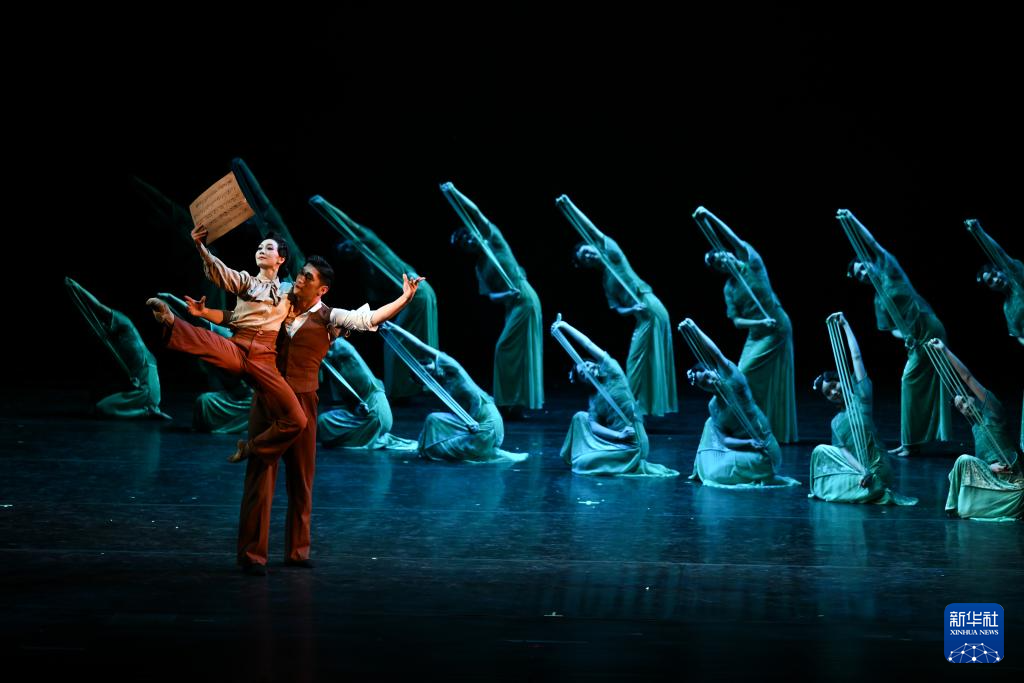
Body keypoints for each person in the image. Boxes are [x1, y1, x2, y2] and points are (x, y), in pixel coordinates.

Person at [187, 255, 423, 574]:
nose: (300, 279)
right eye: (301, 273)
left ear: (321, 289)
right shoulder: (277, 305)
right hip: (269, 397)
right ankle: (252, 555)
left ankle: (298, 551)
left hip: (304, 402)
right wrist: (206, 314)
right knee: (260, 476)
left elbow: (368, 318)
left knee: (301, 479)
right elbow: (240, 317)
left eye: (308, 277)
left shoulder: (329, 317)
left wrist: (405, 298)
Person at [147, 225, 399, 463]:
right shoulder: (251, 283)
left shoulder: (294, 297)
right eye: (259, 247)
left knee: (298, 420)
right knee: (212, 344)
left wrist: (338, 327)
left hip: (267, 359)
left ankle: (252, 447)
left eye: (268, 248)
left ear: (281, 259)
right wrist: (201, 254)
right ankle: (171, 320)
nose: (261, 250)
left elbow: (327, 316)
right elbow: (228, 296)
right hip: (244, 346)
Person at [846, 219, 951, 456]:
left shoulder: (889, 269)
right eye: (859, 275)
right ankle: (911, 441)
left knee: (909, 380)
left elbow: (873, 243)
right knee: (911, 383)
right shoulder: (878, 300)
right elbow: (890, 329)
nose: (863, 274)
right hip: (914, 338)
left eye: (862, 268)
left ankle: (911, 443)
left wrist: (851, 220)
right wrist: (904, 336)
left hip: (929, 326)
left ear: (868, 262)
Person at [316, 198, 439, 400]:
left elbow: (350, 225)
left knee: (397, 344)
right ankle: (407, 389)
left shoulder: (370, 245)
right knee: (405, 342)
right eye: (342, 252)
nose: (345, 249)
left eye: (345, 244)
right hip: (416, 295)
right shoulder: (368, 271)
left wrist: (324, 206)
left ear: (352, 241)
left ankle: (400, 391)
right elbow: (381, 297)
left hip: (418, 292)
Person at [565, 201, 678, 419]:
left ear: (592, 247)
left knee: (636, 363)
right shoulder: (606, 281)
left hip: (651, 308)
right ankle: (635, 410)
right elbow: (617, 309)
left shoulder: (612, 254)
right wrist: (631, 308)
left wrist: (569, 206)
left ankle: (630, 411)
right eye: (584, 260)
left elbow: (591, 229)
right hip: (642, 315)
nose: (588, 257)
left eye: (587, 252)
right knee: (639, 363)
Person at [443, 183, 543, 419]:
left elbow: (475, 213)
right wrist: (506, 296)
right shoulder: (480, 267)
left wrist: (455, 193)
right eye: (464, 244)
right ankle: (511, 402)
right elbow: (491, 296)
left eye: (468, 237)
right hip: (513, 304)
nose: (468, 242)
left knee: (505, 349)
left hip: (525, 300)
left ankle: (511, 401)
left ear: (473, 233)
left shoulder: (493, 241)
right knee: (512, 351)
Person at [697, 207, 797, 443]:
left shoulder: (752, 264)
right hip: (757, 332)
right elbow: (737, 321)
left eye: (722, 258)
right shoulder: (730, 288)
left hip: (776, 329)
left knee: (747, 374)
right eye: (718, 265)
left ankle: (763, 427)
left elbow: (734, 238)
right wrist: (759, 321)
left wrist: (709, 215)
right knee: (741, 374)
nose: (723, 263)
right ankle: (751, 424)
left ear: (728, 254)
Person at [808, 313, 916, 505]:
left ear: (841, 380)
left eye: (834, 385)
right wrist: (862, 471)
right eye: (828, 393)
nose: (833, 392)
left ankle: (872, 489)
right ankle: (864, 489)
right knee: (820, 451)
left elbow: (856, 358)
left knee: (866, 485)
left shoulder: (862, 396)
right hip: (859, 471)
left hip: (878, 469)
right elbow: (844, 453)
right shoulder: (835, 423)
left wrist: (845, 325)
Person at [679, 319, 799, 488]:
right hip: (746, 447)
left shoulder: (733, 379)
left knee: (714, 475)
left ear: (713, 370)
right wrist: (747, 443)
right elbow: (725, 439)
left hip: (764, 453)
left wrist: (694, 329)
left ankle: (748, 467)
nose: (708, 383)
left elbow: (716, 354)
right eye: (703, 384)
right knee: (710, 424)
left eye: (707, 377)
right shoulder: (714, 406)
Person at [384, 322, 527, 463]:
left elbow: (419, 345)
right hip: (473, 422)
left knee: (441, 450)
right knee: (433, 420)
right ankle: (425, 448)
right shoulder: (441, 386)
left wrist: (394, 328)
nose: (427, 374)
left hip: (487, 423)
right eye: (423, 378)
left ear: (429, 363)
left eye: (426, 370)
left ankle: (488, 449)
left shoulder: (450, 365)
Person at [552, 318, 678, 477]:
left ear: (595, 364)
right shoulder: (593, 399)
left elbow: (588, 345)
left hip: (634, 442)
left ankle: (618, 459)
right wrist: (618, 436)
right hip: (617, 441)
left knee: (584, 464)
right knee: (580, 420)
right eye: (583, 374)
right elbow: (593, 425)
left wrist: (565, 326)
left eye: (588, 365)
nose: (587, 370)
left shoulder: (613, 373)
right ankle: (591, 456)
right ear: (584, 382)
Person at [930, 340, 1024, 521]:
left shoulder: (993, 410)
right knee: (963, 469)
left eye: (965, 401)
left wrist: (945, 350)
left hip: (1015, 485)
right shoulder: (976, 429)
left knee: (963, 460)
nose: (965, 407)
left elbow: (967, 377)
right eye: (960, 407)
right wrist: (990, 467)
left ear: (973, 397)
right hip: (996, 484)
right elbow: (982, 463)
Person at [66, 277, 170, 420]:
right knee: (102, 406)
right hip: (145, 389)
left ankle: (146, 411)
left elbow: (97, 306)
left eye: (105, 322)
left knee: (102, 408)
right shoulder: (120, 339)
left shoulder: (123, 322)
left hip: (146, 390)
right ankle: (147, 409)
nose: (103, 325)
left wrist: (77, 287)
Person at [969, 221, 1023, 451]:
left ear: (1000, 271)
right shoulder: (1008, 308)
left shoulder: (1018, 276)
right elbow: (1018, 335)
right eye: (990, 282)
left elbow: (999, 253)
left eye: (994, 275)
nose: (996, 280)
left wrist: (979, 231)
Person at [317, 336, 418, 451]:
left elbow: (319, 357)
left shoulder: (340, 346)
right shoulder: (334, 367)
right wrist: (358, 410)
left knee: (323, 423)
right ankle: (364, 435)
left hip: (376, 413)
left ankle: (365, 436)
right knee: (324, 421)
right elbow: (355, 405)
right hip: (369, 412)